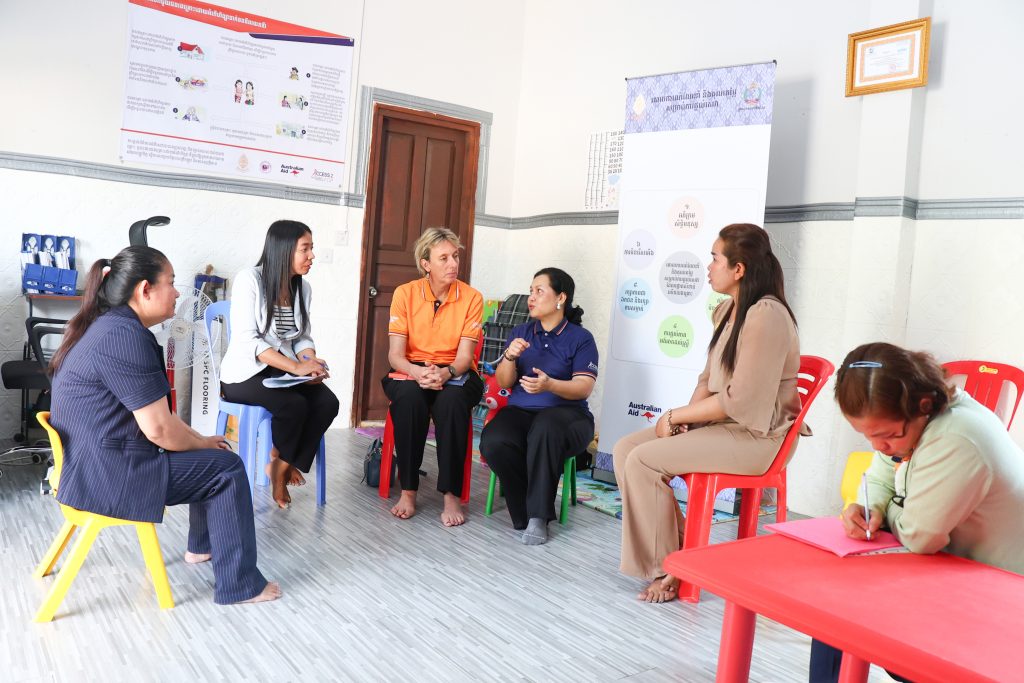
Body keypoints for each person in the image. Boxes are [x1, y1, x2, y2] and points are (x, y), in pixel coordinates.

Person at [48, 246, 279, 605]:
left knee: (212, 454)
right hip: (111, 475)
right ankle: (240, 585)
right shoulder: (124, 337)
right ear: (145, 289)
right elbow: (159, 431)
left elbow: (162, 422)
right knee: (227, 467)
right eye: (170, 283)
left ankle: (201, 548)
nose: (177, 293)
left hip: (91, 466)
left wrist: (202, 440)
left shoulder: (109, 326)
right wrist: (202, 444)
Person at [808, 342, 1024, 682]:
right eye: (868, 436)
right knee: (832, 607)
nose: (878, 446)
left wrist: (889, 514)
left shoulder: (957, 438)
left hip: (1002, 598)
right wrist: (869, 506)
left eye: (886, 435)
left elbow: (920, 536)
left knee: (843, 610)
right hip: (960, 575)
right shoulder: (912, 424)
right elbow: (880, 476)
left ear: (922, 405)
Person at [613, 223, 803, 603]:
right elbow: (707, 379)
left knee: (644, 460)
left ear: (739, 269)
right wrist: (686, 420)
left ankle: (669, 567)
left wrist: (677, 417)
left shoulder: (767, 315)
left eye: (715, 258)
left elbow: (741, 401)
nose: (709, 266)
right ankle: (683, 551)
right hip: (724, 424)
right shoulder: (727, 310)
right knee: (624, 449)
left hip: (757, 436)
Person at [220, 220, 339, 509]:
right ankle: (281, 469)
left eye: (311, 248)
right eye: (305, 249)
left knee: (327, 402)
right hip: (244, 373)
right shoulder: (249, 280)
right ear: (284, 250)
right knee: (294, 405)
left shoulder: (302, 288)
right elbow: (249, 341)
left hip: (280, 369)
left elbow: (301, 337)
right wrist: (296, 368)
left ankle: (281, 464)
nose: (312, 256)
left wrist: (309, 363)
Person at [479, 267, 597, 545]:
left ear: (561, 298)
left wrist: (550, 385)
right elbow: (505, 382)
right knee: (493, 441)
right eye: (530, 291)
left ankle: (538, 517)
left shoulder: (581, 338)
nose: (531, 297)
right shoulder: (521, 332)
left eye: (539, 291)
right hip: (521, 412)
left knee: (545, 428)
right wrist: (509, 357)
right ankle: (524, 510)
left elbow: (583, 387)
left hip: (569, 416)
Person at [384, 227, 484, 526]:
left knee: (452, 403)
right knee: (409, 399)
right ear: (425, 263)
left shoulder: (472, 298)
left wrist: (445, 373)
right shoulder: (405, 293)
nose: (453, 263)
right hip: (412, 368)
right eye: (444, 258)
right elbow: (395, 355)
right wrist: (417, 372)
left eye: (455, 256)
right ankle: (409, 490)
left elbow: (464, 358)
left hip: (456, 371)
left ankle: (451, 495)